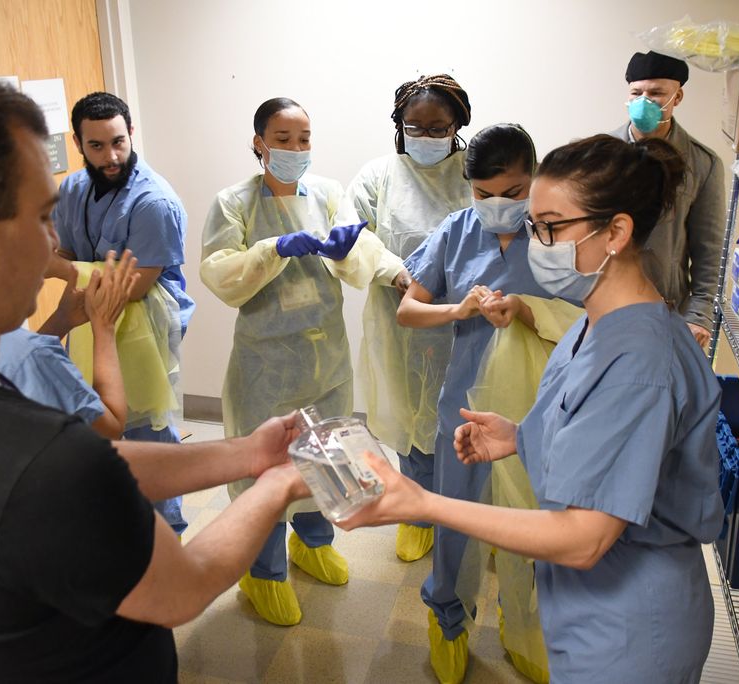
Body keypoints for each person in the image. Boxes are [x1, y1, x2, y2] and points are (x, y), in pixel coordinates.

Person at [0, 66, 310, 683]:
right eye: (43, 217)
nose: (57, 243)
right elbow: (181, 590)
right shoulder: (38, 461)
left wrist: (248, 452)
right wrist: (279, 484)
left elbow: (90, 475)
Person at [340, 134, 723, 684]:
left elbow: (584, 538)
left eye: (549, 227)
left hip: (630, 630)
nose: (534, 242)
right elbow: (586, 424)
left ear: (616, 231)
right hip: (585, 610)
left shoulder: (642, 364)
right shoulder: (595, 324)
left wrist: (425, 503)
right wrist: (520, 436)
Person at [200, 97, 388, 627]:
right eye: (282, 139)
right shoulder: (233, 202)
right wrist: (274, 247)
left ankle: (314, 543)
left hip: (325, 359)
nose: (295, 149)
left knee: (327, 458)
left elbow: (358, 260)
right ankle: (263, 571)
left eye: (303, 138)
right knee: (267, 468)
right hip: (265, 365)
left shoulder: (329, 193)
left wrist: (347, 248)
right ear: (259, 142)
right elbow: (220, 274)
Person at [397, 124, 560, 683]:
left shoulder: (558, 236)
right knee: (456, 525)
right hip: (466, 411)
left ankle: (526, 629)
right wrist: (459, 311)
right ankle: (448, 624)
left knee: (539, 529)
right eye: (483, 195)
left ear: (533, 179)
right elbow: (408, 309)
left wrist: (527, 309)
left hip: (537, 414)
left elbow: (592, 321)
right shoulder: (457, 232)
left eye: (512, 194)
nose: (497, 207)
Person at [51, 91, 195, 535]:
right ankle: (121, 530)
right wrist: (68, 280)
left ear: (131, 133)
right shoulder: (73, 190)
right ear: (79, 144)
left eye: (118, 141)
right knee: (100, 427)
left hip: (146, 325)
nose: (111, 156)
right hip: (89, 322)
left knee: (150, 433)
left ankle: (167, 533)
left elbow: (132, 287)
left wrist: (53, 268)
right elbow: (68, 253)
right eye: (96, 146)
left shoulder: (155, 202)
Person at [346, 73, 473, 562]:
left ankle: (461, 518)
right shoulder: (378, 176)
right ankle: (418, 516)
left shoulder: (473, 171)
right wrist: (397, 273)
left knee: (462, 420)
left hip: (464, 323)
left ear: (458, 124)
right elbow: (352, 237)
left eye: (438, 128)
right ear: (399, 125)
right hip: (398, 320)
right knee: (409, 417)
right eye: (414, 127)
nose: (425, 137)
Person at [610, 50, 725, 349]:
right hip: (605, 304)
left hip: (668, 310)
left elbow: (708, 251)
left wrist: (699, 316)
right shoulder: (602, 154)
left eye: (657, 93)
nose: (644, 101)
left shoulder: (702, 164)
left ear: (678, 96)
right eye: (637, 92)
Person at [0, 250, 138, 439]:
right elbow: (111, 428)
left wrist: (61, 320)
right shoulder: (33, 356)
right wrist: (104, 326)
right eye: (42, 221)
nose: (54, 239)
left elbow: (17, 364)